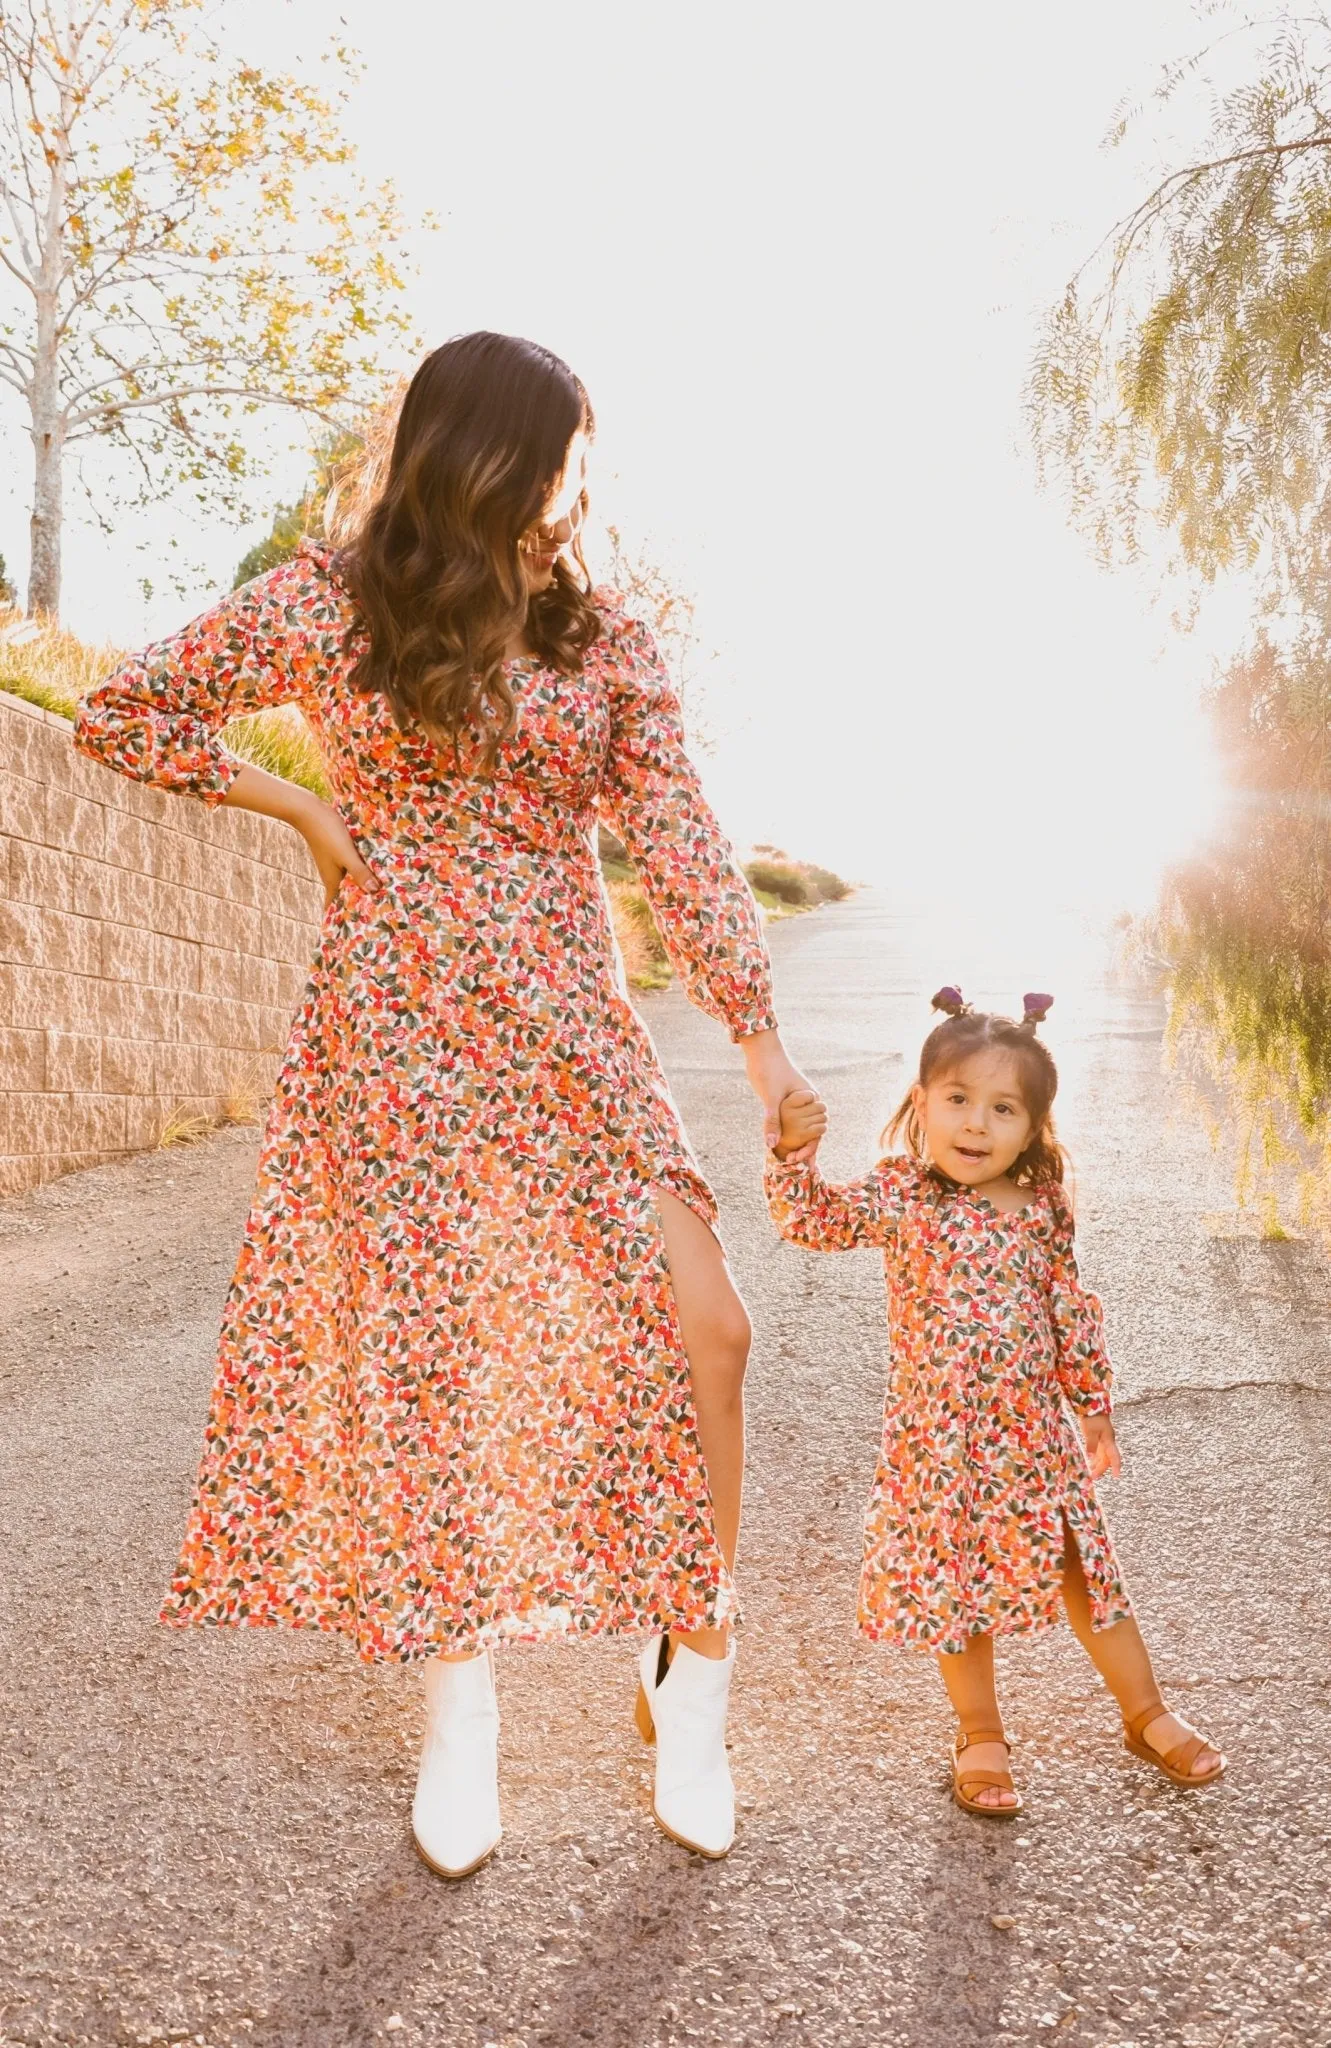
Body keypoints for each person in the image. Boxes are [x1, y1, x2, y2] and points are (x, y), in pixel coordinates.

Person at [74, 331, 816, 1874]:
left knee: (708, 1327)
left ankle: (690, 1673)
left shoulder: (602, 635)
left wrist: (760, 1047)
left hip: (566, 1019)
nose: (569, 482)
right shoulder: (333, 606)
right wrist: (297, 807)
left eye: (577, 454)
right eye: (553, 449)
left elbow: (680, 835)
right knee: (433, 1361)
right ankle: (456, 1710)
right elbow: (128, 715)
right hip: (395, 1024)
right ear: (482, 452)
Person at [763, 987, 1225, 1816]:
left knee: (1086, 1574)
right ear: (921, 1104)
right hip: (937, 1438)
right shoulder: (901, 1194)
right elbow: (813, 1224)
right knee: (957, 1585)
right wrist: (792, 1156)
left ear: (1031, 1127)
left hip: (1031, 1436)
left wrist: (1090, 1403)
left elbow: (1066, 1302)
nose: (975, 1124)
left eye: (1001, 1108)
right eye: (957, 1100)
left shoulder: (1040, 1206)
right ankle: (979, 1731)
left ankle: (1145, 1711)